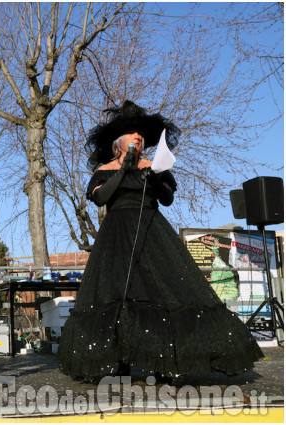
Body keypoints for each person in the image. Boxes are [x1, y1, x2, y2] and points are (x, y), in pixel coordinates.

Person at [56, 100, 263, 383]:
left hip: (152, 232)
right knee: (114, 295)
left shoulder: (153, 166)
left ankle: (162, 361)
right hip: (116, 236)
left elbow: (166, 199)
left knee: (160, 293)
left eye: (141, 133)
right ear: (119, 141)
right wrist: (124, 168)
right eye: (132, 132)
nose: (138, 136)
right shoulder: (105, 169)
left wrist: (153, 177)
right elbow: (102, 198)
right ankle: (119, 360)